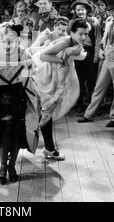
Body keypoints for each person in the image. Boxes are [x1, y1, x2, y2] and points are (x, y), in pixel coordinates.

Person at [0, 22, 41, 184]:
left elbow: (32, 73)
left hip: (18, 98)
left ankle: (12, 165)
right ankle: (3, 166)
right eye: (5, 40)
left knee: (17, 134)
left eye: (12, 40)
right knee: (3, 134)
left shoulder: (22, 52)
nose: (8, 44)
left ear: (18, 41)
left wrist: (27, 66)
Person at [36, 19, 89, 159]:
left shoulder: (74, 43)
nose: (83, 37)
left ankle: (49, 148)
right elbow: (43, 56)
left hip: (58, 76)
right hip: (47, 77)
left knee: (48, 112)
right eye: (80, 34)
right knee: (46, 111)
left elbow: (80, 54)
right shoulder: (65, 42)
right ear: (72, 32)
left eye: (86, 34)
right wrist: (62, 61)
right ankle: (48, 148)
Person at [69, 0, 101, 112]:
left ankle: (94, 106)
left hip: (90, 52)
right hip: (77, 53)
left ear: (86, 10)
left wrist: (96, 55)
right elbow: (69, 38)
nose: (80, 12)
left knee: (92, 80)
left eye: (82, 9)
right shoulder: (72, 22)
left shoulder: (93, 21)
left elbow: (98, 39)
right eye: (78, 10)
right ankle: (79, 104)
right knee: (78, 79)